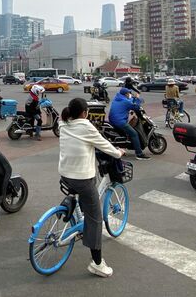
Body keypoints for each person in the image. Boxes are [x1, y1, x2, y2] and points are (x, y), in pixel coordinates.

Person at [58, 97, 125, 277]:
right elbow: (104, 145)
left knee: (87, 194)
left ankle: (73, 212)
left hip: (65, 175)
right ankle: (97, 263)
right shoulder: (86, 126)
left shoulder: (63, 124)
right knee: (95, 218)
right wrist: (118, 152)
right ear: (84, 112)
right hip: (82, 179)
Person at [108, 88, 150, 160]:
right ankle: (139, 154)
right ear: (126, 94)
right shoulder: (125, 101)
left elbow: (129, 101)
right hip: (120, 121)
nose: (129, 94)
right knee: (134, 134)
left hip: (113, 120)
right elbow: (136, 107)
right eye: (128, 93)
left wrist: (133, 99)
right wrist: (137, 98)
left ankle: (122, 148)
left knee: (126, 133)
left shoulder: (118, 98)